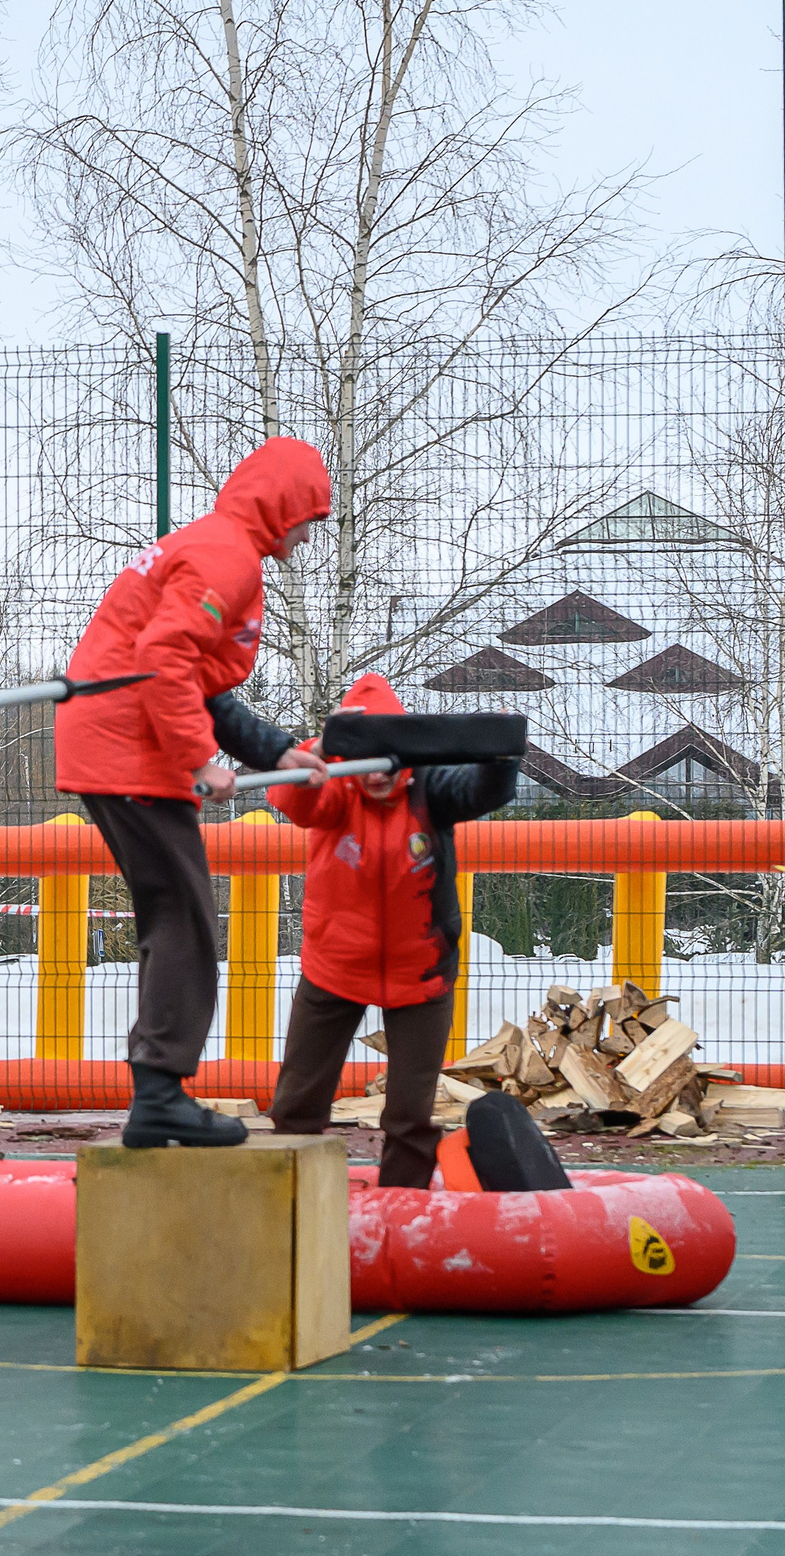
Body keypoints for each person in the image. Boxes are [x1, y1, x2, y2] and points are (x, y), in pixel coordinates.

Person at [55, 437, 332, 1147]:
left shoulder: (217, 545)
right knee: (185, 919)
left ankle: (158, 1087)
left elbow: (197, 685)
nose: (307, 534)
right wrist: (200, 760)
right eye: (308, 519)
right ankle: (159, 1092)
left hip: (116, 737)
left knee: (171, 913)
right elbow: (162, 657)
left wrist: (278, 752)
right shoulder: (226, 557)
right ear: (282, 508)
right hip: (131, 746)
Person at [262, 675, 519, 1184]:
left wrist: (500, 758)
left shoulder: (430, 791)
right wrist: (318, 755)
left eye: (388, 753)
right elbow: (292, 802)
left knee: (408, 1117)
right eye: (366, 754)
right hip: (333, 968)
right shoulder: (335, 791)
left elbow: (481, 790)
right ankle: (293, 1206)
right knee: (296, 1106)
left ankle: (404, 1214)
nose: (376, 772)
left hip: (420, 973)